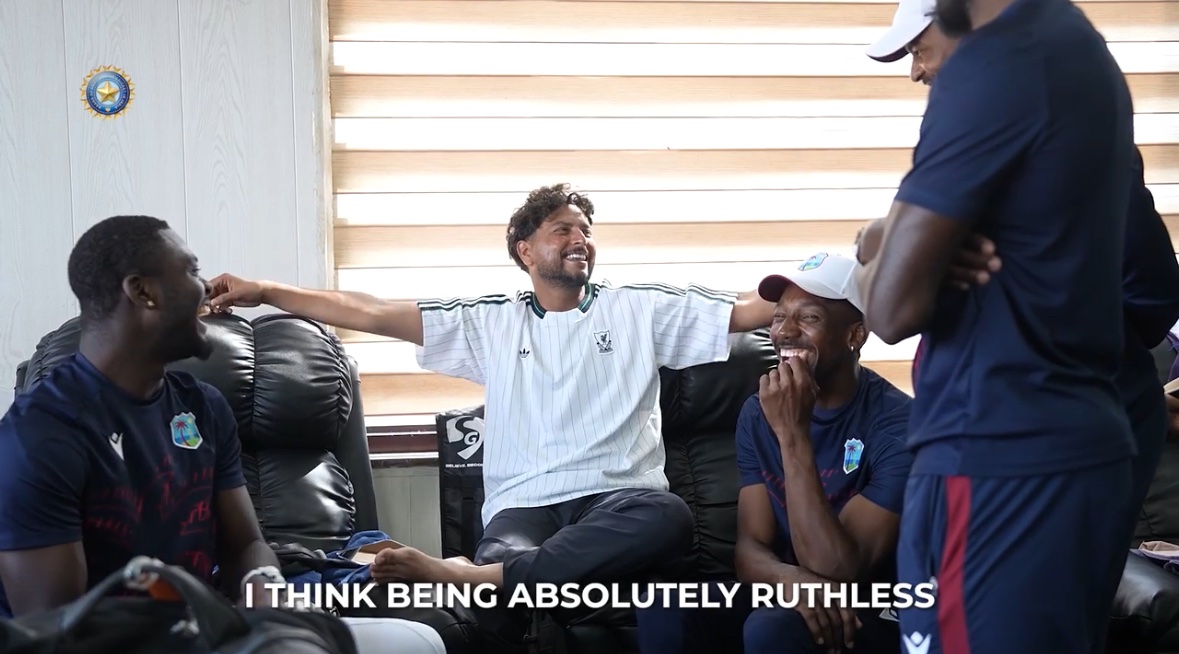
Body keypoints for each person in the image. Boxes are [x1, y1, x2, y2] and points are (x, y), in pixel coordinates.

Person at [207, 184, 777, 646]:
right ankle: (498, 574)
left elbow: (750, 308)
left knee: (668, 516)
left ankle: (471, 575)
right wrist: (267, 290)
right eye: (562, 229)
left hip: (619, 499)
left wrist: (825, 281)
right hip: (524, 510)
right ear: (525, 251)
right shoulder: (491, 322)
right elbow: (373, 311)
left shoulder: (640, 308)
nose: (580, 239)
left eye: (585, 230)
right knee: (504, 565)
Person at [863, 4, 1179, 651]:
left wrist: (891, 249)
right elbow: (1153, 296)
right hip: (1077, 446)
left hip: (995, 451)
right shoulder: (1080, 55)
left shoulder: (990, 66)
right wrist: (887, 239)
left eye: (918, 48)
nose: (916, 71)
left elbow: (889, 309)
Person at [0, 215, 446, 654]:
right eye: (191, 271)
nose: (206, 288)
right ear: (143, 292)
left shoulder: (202, 406)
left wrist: (272, 606)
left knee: (415, 642)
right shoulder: (38, 435)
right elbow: (58, 630)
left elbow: (245, 545)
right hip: (114, 644)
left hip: (203, 628)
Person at [634, 253, 914, 654]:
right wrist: (790, 581)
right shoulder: (758, 410)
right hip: (792, 589)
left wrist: (793, 433)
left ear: (855, 335)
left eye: (810, 317)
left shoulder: (900, 426)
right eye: (779, 317)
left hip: (871, 606)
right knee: (666, 605)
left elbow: (840, 569)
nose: (786, 331)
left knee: (772, 627)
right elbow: (750, 549)